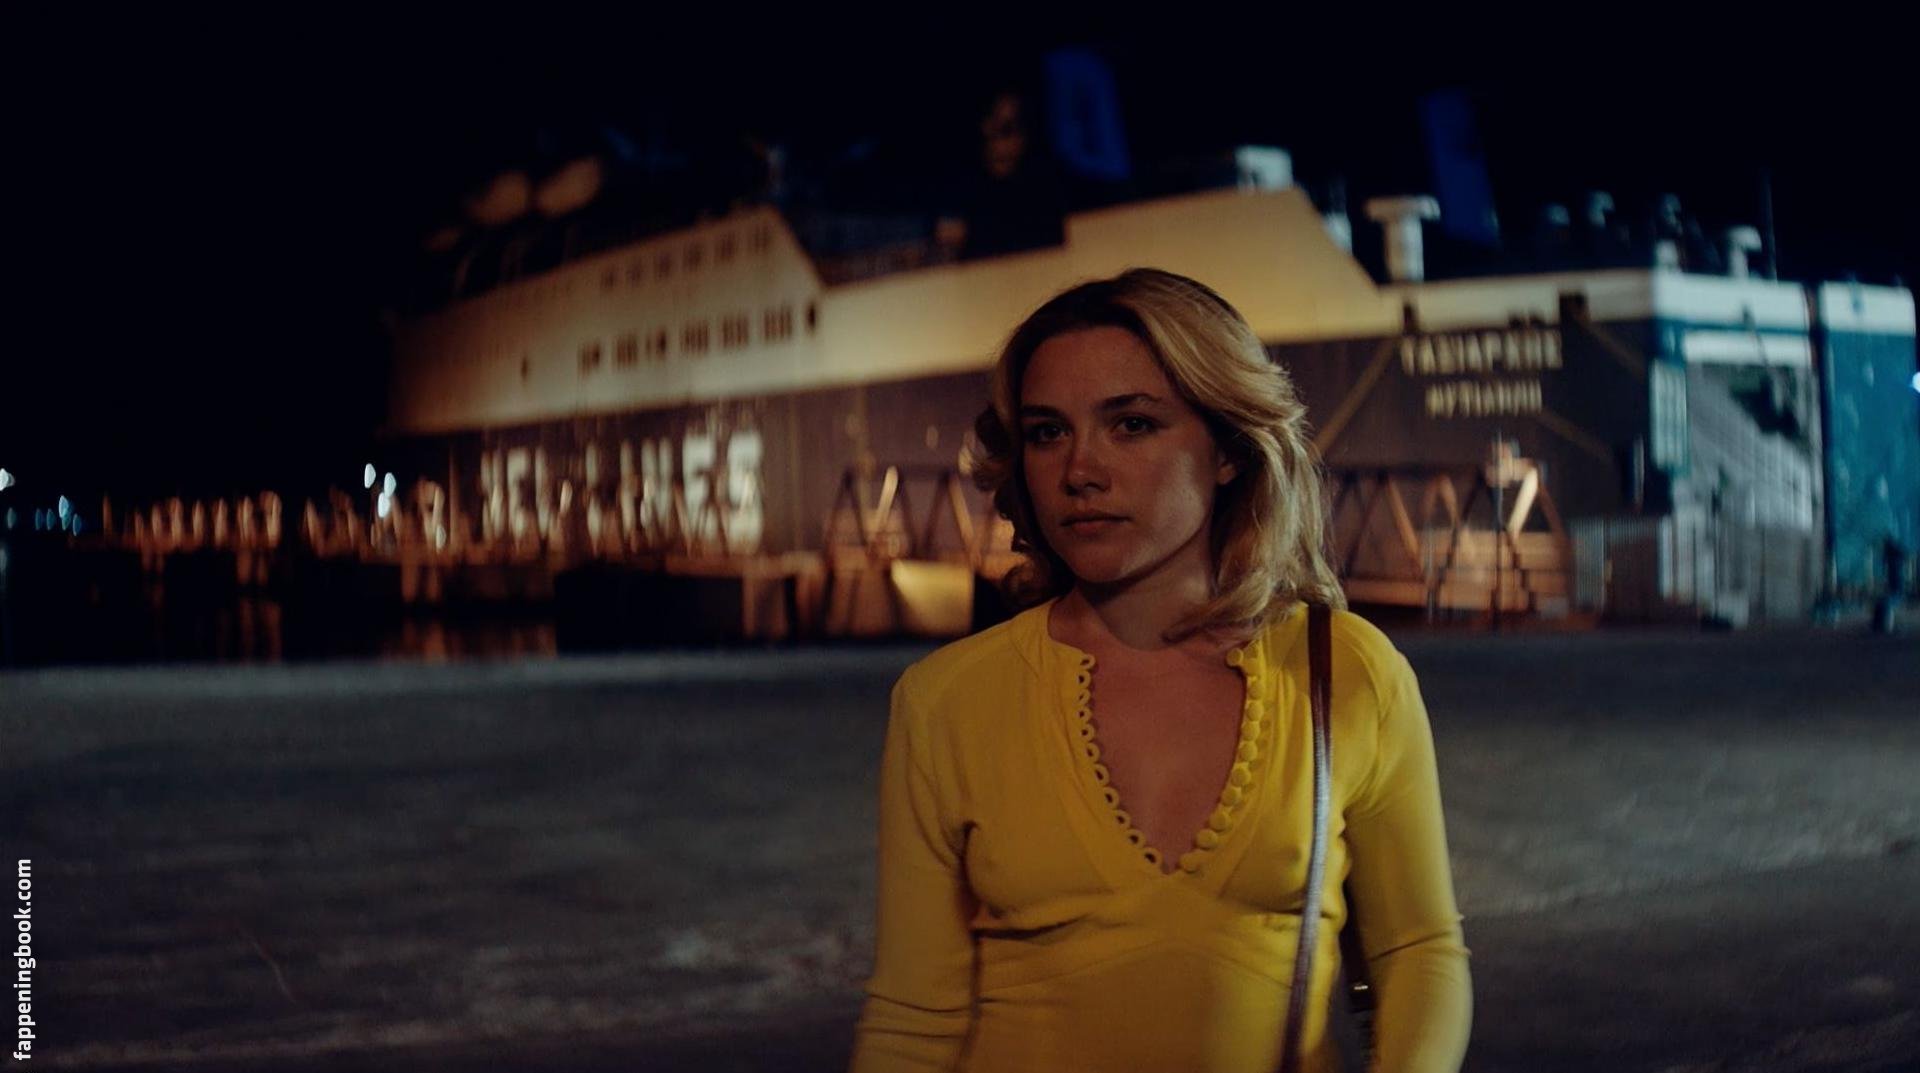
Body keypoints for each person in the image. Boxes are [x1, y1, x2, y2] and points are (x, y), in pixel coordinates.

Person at [848, 269, 1471, 1072]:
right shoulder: (947, 702)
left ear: (1227, 447)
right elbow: (911, 1020)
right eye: (1047, 432)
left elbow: (1418, 949)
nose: (1080, 469)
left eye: (1132, 424)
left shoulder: (1346, 671)